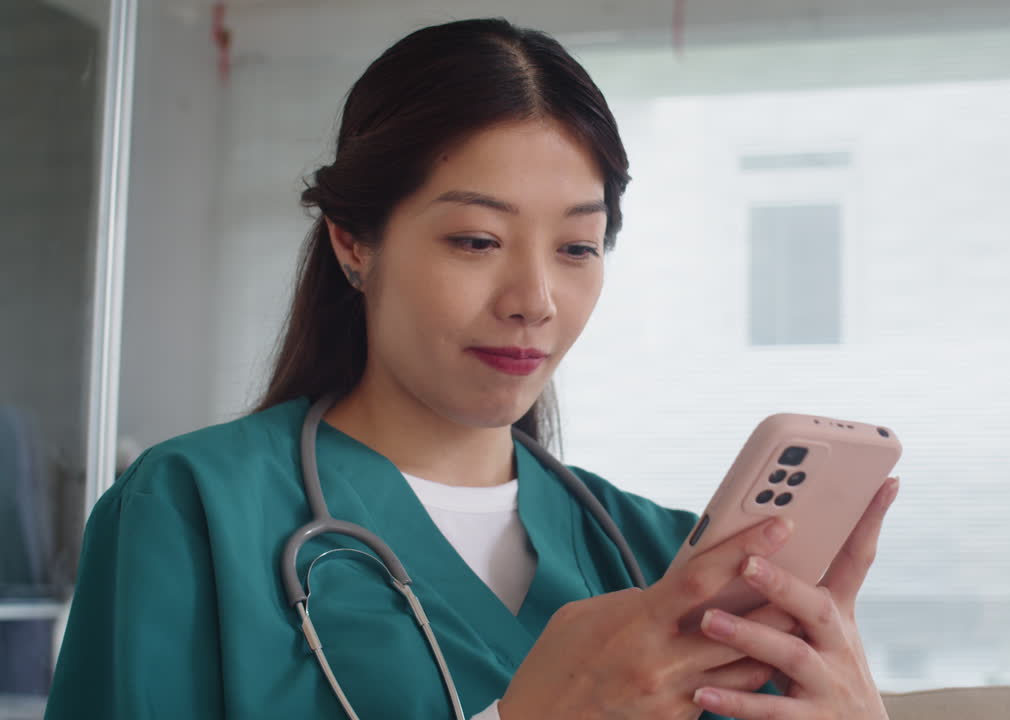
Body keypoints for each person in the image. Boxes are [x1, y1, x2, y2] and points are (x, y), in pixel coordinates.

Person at [45, 18, 898, 720]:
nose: (534, 299)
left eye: (576, 247)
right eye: (476, 241)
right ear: (354, 241)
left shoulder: (668, 563)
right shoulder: (193, 512)